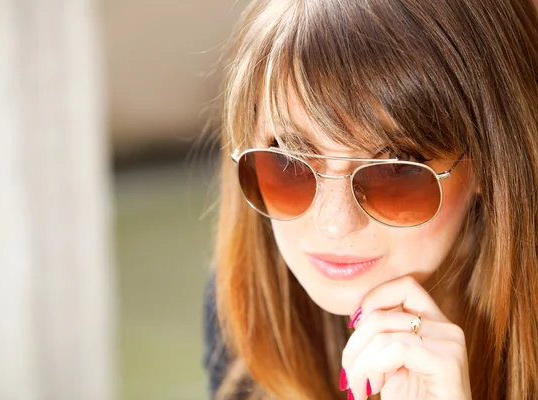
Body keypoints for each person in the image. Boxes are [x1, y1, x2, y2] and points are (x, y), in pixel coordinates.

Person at [202, 0, 538, 399]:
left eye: (398, 168)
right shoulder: (243, 313)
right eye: (288, 161)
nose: (334, 222)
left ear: (489, 163)